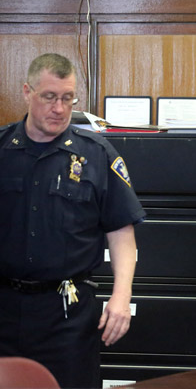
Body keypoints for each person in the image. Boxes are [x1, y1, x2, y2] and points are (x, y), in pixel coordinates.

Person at [0, 53, 145, 388]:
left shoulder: (96, 154)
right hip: (4, 309)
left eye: (68, 98)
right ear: (27, 92)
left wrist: (122, 296)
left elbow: (122, 231)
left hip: (67, 313)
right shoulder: (3, 149)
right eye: (50, 97)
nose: (60, 109)